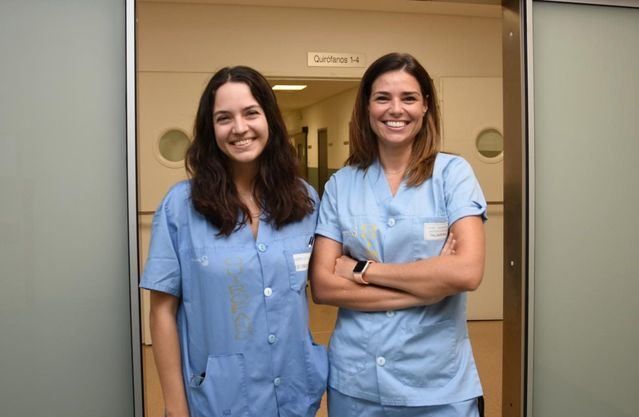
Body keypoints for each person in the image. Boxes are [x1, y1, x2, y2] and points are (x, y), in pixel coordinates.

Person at [140, 66, 328, 417]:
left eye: (251, 113)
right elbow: (162, 312)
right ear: (211, 130)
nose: (239, 128)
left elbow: (328, 275)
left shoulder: (303, 200)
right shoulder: (181, 207)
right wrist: (175, 407)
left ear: (269, 119)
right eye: (224, 118)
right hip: (218, 399)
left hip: (294, 393)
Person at [310, 52, 487, 417]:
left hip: (437, 382)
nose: (396, 109)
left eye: (408, 98)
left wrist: (362, 270)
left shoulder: (452, 174)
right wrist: (431, 284)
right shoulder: (341, 185)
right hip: (357, 381)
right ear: (366, 107)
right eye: (382, 98)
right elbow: (324, 287)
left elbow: (467, 272)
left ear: (425, 106)